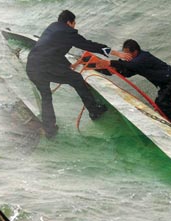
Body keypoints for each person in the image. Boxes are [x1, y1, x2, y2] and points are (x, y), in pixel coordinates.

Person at [26, 10, 130, 138]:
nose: (75, 26)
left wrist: (67, 65)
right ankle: (94, 110)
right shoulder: (68, 32)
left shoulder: (52, 27)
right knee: (77, 79)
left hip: (32, 66)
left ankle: (50, 129)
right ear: (69, 22)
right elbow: (89, 45)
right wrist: (116, 53)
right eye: (74, 23)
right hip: (46, 67)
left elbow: (51, 49)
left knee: (46, 97)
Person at [95, 39, 171, 123]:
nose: (125, 56)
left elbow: (131, 65)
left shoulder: (142, 58)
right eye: (124, 53)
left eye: (127, 53)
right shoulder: (135, 62)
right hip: (164, 83)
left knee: (160, 102)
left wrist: (111, 62)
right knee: (168, 100)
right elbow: (128, 72)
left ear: (135, 51)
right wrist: (114, 70)